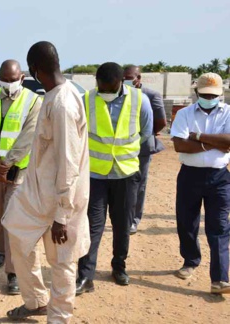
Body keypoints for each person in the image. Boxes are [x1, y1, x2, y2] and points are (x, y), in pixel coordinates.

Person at [2, 41, 90, 322]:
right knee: (16, 232)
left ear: (34, 70)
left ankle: (59, 317)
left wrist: (62, 214)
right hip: (37, 194)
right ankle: (37, 301)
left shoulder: (63, 103)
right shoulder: (51, 96)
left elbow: (68, 160)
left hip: (62, 199)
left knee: (62, 260)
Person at [76, 63, 153, 294]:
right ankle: (85, 276)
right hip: (95, 175)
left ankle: (119, 267)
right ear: (96, 81)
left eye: (110, 89)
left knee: (122, 225)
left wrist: (122, 151)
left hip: (126, 174)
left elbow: (145, 132)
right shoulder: (86, 99)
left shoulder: (140, 100)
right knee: (92, 226)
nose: (105, 92)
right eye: (101, 88)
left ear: (121, 82)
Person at [0, 59, 42, 295]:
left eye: (13, 80)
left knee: (13, 220)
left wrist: (8, 162)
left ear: (21, 78)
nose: (9, 83)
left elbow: (29, 136)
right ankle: (1, 252)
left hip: (17, 173)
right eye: (5, 79)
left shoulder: (33, 101)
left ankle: (12, 273)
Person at [170, 72, 230, 294]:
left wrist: (197, 137)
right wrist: (215, 142)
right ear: (196, 93)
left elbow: (229, 141)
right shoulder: (185, 114)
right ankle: (190, 261)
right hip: (190, 175)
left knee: (220, 227)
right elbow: (179, 145)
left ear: (220, 94)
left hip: (219, 177)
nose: (208, 97)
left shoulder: (228, 113)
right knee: (187, 222)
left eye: (213, 95)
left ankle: (220, 279)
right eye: (204, 94)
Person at [123, 65, 167, 234]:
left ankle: (134, 219)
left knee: (139, 184)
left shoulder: (151, 95)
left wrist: (148, 133)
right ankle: (122, 216)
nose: (126, 81)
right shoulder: (120, 93)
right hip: (122, 146)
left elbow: (162, 121)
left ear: (138, 77)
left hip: (142, 147)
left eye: (129, 77)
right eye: (124, 78)